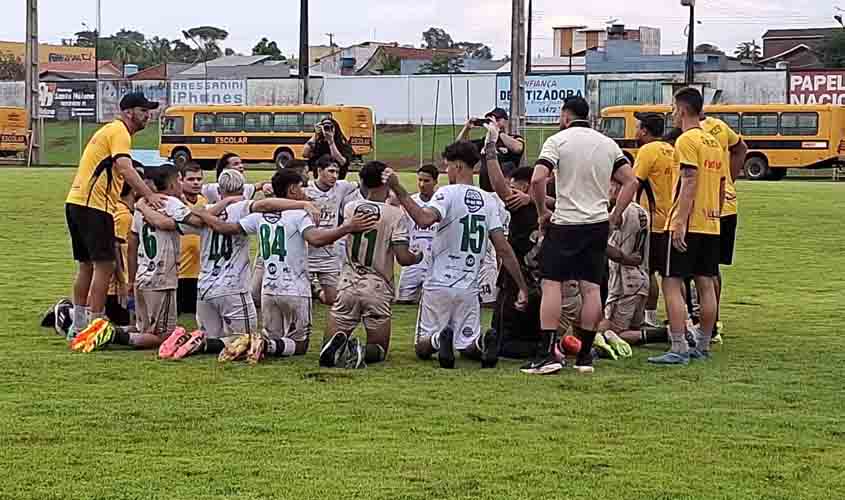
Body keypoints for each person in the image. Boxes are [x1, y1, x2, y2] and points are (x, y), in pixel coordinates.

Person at [173, 169, 374, 364]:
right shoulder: (297, 214)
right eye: (302, 188)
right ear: (293, 190)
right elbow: (316, 239)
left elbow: (226, 228)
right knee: (298, 345)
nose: (305, 192)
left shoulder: (256, 217)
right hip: (294, 288)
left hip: (267, 289)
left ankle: (257, 345)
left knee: (271, 337)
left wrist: (204, 214)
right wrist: (347, 227)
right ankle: (265, 346)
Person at [387, 140, 530, 370]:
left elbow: (424, 219)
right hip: (469, 287)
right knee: (467, 344)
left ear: (459, 166)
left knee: (422, 348)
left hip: (439, 285)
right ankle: (483, 343)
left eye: (448, 166)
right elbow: (503, 247)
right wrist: (522, 286)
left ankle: (438, 339)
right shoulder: (488, 200)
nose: (446, 171)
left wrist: (398, 188)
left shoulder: (446, 194)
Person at [523, 96, 638, 375]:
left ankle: (547, 352)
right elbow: (631, 180)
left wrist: (541, 211)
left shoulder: (557, 141)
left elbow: (538, 178)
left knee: (552, 284)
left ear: (565, 116)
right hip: (597, 223)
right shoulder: (607, 143)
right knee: (591, 287)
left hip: (565, 222)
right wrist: (615, 214)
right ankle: (585, 355)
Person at [64, 92, 165, 340]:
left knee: (86, 265)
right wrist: (148, 195)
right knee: (104, 265)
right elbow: (124, 167)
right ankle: (94, 325)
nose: (148, 117)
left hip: (76, 202)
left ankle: (78, 324)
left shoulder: (109, 131)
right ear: (129, 112)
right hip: (94, 206)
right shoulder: (119, 131)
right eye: (143, 111)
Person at [70, 166, 199, 352]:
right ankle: (112, 335)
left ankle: (108, 330)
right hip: (162, 279)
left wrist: (131, 279)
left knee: (143, 329)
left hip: (143, 276)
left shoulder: (141, 207)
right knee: (165, 335)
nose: (182, 184)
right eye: (180, 180)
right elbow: (196, 221)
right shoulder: (172, 204)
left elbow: (132, 245)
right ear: (171, 183)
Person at [648, 87, 726, 365]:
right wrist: (715, 215)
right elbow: (720, 184)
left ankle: (679, 346)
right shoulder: (715, 142)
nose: (671, 113)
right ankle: (703, 345)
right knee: (706, 283)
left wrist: (679, 222)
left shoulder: (685, 141)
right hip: (711, 223)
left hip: (687, 222)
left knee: (671, 282)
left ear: (681, 110)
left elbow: (689, 181)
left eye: (673, 108)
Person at [320, 162, 422, 368]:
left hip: (348, 284)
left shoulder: (351, 208)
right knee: (379, 351)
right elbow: (403, 257)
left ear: (362, 182)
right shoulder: (395, 215)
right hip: (377, 287)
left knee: (328, 344)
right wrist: (417, 257)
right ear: (388, 183)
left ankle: (340, 349)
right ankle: (359, 351)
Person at [701, 113, 747, 343]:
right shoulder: (719, 126)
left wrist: (728, 178)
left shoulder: (689, 135)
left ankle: (706, 325)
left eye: (674, 109)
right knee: (711, 268)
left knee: (702, 270)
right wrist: (729, 178)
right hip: (727, 205)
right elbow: (741, 148)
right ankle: (712, 322)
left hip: (708, 207)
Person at [593, 177, 650, 360]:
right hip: (640, 280)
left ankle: (670, 332)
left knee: (613, 332)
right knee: (633, 328)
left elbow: (605, 244)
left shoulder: (622, 213)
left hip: (625, 283)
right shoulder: (640, 211)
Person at [632, 112, 677, 328]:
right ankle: (679, 317)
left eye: (638, 127)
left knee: (647, 271)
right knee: (671, 274)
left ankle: (648, 317)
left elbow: (634, 183)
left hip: (651, 222)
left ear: (644, 131)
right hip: (672, 221)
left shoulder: (647, 151)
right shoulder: (672, 150)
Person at [304, 155, 360, 304]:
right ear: (319, 171)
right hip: (306, 251)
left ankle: (317, 291)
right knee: (301, 297)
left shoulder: (341, 187)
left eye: (337, 172)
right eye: (330, 171)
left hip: (329, 252)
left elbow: (363, 183)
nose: (334, 176)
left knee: (333, 299)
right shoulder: (305, 188)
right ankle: (310, 288)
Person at [395, 164, 439, 304]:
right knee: (403, 301)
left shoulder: (441, 202)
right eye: (419, 180)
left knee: (433, 303)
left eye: (426, 181)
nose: (422, 184)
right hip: (413, 261)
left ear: (435, 181)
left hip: (435, 261)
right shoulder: (410, 203)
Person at [456, 107, 525, 193]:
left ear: (506, 122)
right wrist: (467, 128)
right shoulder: (484, 141)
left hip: (505, 191)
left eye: (497, 119)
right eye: (491, 120)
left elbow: (518, 148)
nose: (494, 122)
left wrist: (497, 131)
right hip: (486, 191)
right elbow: (458, 147)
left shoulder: (514, 138)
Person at [177, 162, 206, 315]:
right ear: (180, 180)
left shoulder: (204, 202)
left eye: (199, 179)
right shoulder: (174, 204)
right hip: (178, 273)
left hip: (199, 272)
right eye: (191, 179)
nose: (196, 183)